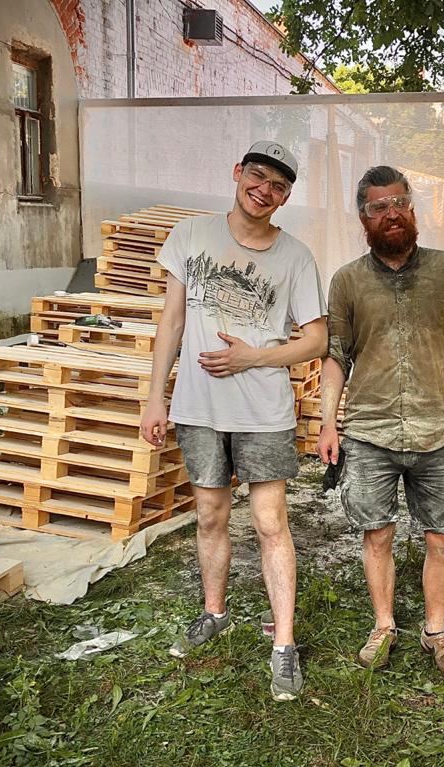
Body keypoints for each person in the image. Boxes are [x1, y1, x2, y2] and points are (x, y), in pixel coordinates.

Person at [141, 141, 327, 701]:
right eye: (257, 176)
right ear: (237, 174)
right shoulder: (190, 237)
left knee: (270, 523)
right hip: (199, 407)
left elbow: (317, 338)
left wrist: (254, 356)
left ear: (286, 197)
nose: (264, 190)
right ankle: (213, 613)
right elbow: (171, 323)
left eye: (278, 186)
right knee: (209, 515)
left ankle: (284, 646)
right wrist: (156, 397)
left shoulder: (295, 257)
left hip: (263, 409)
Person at [317, 165, 444, 681]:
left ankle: (437, 632)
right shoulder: (347, 280)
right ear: (363, 218)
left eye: (400, 202)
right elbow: (336, 356)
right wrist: (328, 423)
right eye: (379, 207)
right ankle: (383, 626)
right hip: (370, 433)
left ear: (412, 209)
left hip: (435, 431)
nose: (391, 213)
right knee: (378, 535)